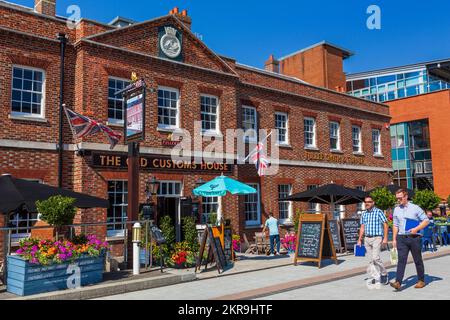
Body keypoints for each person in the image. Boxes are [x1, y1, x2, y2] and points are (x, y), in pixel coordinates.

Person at [391, 189, 430, 291]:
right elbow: (395, 225)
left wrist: (416, 229)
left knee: (417, 260)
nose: (398, 200)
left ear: (406, 196)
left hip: (414, 238)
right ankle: (398, 282)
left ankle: (421, 280)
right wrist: (394, 239)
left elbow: (426, 221)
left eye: (400, 198)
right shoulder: (396, 209)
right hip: (401, 238)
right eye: (397, 199)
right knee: (401, 260)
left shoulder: (415, 208)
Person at [357, 196, 389, 289]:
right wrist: (359, 239)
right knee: (371, 260)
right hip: (367, 239)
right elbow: (362, 227)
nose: (367, 203)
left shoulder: (378, 212)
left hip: (377, 238)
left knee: (376, 258)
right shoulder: (364, 214)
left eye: (369, 202)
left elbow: (385, 224)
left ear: (373, 202)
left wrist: (385, 238)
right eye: (365, 202)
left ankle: (384, 274)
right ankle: (376, 276)